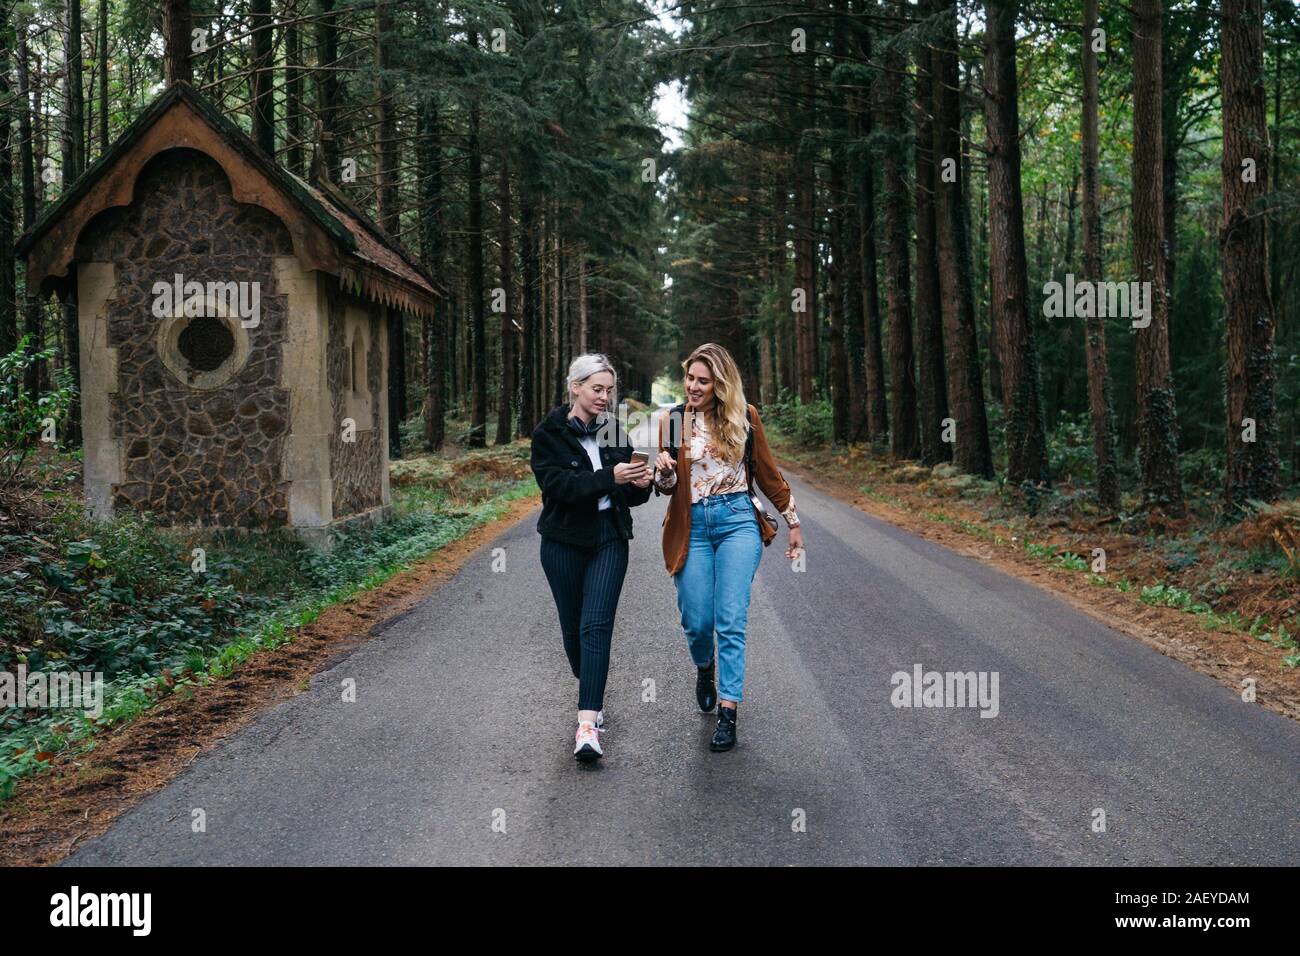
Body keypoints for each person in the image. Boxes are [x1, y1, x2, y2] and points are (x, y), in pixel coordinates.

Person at [654, 343, 805, 751]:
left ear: (721, 384)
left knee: (731, 618)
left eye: (703, 380)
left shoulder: (746, 418)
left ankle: (728, 711)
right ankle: (705, 667)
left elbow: (770, 476)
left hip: (738, 520)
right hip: (693, 524)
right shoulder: (674, 420)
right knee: (697, 620)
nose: (693, 386)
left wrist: (792, 523)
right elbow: (665, 487)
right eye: (690, 378)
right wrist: (663, 471)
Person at [531, 354, 653, 762]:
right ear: (575, 387)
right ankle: (592, 688)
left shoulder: (613, 430)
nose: (604, 397)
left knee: (595, 626)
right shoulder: (548, 434)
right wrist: (610, 477)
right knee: (573, 630)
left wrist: (642, 481)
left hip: (609, 538)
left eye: (609, 390)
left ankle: (587, 725)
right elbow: (559, 487)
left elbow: (631, 495)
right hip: (563, 542)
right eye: (597, 389)